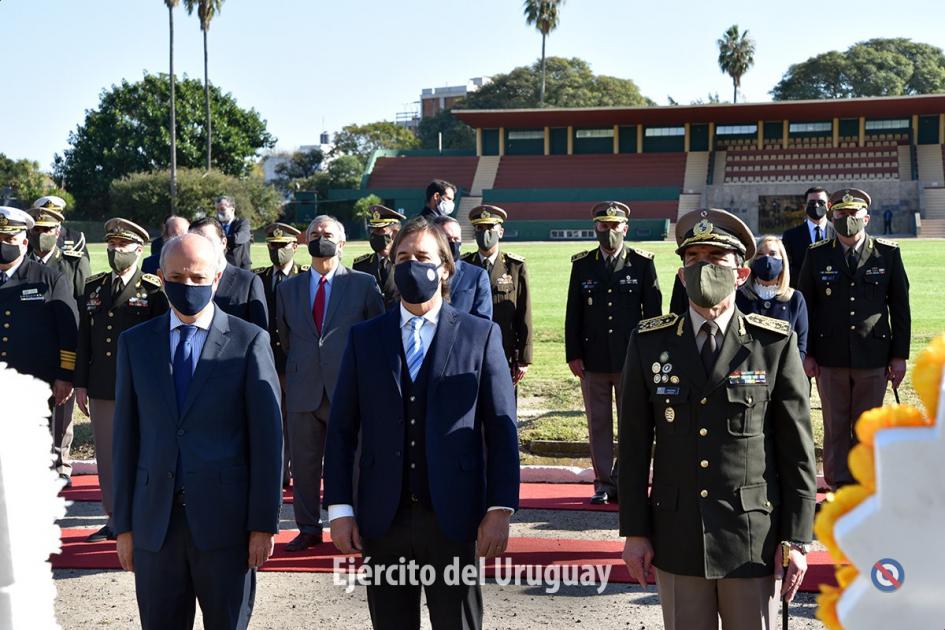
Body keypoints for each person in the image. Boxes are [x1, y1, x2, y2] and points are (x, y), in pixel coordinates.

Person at [619, 208, 817, 630]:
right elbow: (634, 447)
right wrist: (634, 531)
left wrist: (797, 538)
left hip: (749, 538)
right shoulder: (649, 343)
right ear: (680, 274)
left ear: (741, 274)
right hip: (677, 534)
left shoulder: (773, 344)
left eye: (716, 259)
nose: (704, 268)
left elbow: (796, 451)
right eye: (694, 260)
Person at [324, 216, 519, 630]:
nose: (412, 265)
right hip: (383, 518)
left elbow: (501, 428)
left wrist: (499, 508)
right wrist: (340, 508)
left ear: (446, 267)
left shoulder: (479, 335)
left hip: (455, 516)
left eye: (423, 257)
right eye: (403, 257)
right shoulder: (365, 338)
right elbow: (342, 429)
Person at [111, 233, 283, 630]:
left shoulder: (248, 341)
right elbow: (125, 440)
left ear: (217, 277)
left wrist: (263, 524)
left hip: (227, 528)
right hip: (156, 528)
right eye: (177, 276)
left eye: (197, 277)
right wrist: (125, 526)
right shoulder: (135, 344)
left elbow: (268, 441)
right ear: (160, 276)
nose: (187, 286)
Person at [275, 215, 385, 551]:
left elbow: (377, 334)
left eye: (327, 234)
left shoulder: (363, 284)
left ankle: (358, 524)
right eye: (314, 234)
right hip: (303, 389)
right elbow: (285, 336)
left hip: (349, 389)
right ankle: (308, 528)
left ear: (342, 243)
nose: (320, 239)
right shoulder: (287, 288)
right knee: (305, 466)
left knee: (353, 463)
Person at [798, 188, 910, 491]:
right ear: (833, 217)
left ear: (867, 217)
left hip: (873, 354)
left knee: (867, 426)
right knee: (834, 427)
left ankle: (865, 485)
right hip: (829, 355)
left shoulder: (887, 253)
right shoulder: (817, 253)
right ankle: (837, 486)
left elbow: (899, 308)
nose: (847, 219)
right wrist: (805, 352)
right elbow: (804, 306)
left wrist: (899, 356)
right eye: (841, 214)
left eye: (853, 214)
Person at [74, 218, 168, 542]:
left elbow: (161, 343)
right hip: (102, 385)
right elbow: (84, 338)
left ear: (139, 250)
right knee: (107, 454)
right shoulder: (94, 286)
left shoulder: (154, 290)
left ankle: (142, 516)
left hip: (141, 388)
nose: (116, 252)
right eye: (111, 245)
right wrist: (80, 383)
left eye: (122, 246)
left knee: (142, 451)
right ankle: (114, 518)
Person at [565, 201, 661, 504]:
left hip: (631, 359)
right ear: (595, 228)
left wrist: (650, 355)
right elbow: (574, 313)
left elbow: (653, 315)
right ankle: (604, 483)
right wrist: (573, 353)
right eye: (603, 226)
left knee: (632, 421)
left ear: (625, 228)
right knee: (598, 423)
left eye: (614, 226)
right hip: (593, 358)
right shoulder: (582, 264)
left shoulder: (642, 263)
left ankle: (629, 480)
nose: (609, 232)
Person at [0, 208, 77, 446]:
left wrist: (64, 376)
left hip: (34, 381)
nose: (3, 245)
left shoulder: (49, 279)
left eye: (9, 239)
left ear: (24, 242)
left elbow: (68, 330)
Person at [26, 204, 90, 484]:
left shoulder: (72, 263)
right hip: (27, 349)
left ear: (58, 231)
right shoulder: (20, 259)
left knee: (61, 408)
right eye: (37, 230)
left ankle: (61, 463)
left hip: (62, 345)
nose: (42, 235)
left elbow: (83, 308)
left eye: (48, 230)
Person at [254, 222, 306, 487]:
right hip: (267, 361)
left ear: (295, 247)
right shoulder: (258, 278)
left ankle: (297, 469)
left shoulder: (304, 276)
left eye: (282, 246)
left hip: (296, 361)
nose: (277, 251)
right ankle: (277, 470)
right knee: (271, 417)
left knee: (296, 420)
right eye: (272, 246)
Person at [461, 204, 533, 388]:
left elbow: (524, 313)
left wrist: (524, 357)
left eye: (490, 227)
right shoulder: (462, 266)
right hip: (469, 351)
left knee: (503, 407)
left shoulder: (515, 266)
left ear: (500, 231)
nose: (485, 232)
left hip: (504, 350)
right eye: (480, 228)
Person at [735, 235, 809, 359]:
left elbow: (801, 345)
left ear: (783, 261)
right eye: (760, 254)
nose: (767, 259)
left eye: (773, 253)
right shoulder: (739, 296)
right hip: (747, 373)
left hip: (783, 372)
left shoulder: (795, 299)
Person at [189, 216, 268, 331]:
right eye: (196, 243)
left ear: (223, 242)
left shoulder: (248, 282)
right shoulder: (185, 281)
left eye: (208, 241)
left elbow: (260, 334)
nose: (203, 247)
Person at [430, 215, 492, 319]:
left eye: (456, 238)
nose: (453, 243)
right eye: (448, 238)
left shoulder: (476, 276)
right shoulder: (423, 272)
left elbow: (483, 321)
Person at [353, 205, 405, 309]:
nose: (374, 234)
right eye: (373, 230)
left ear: (394, 234)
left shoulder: (405, 263)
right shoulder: (360, 266)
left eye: (380, 230)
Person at [781, 186, 834, 289]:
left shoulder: (839, 233)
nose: (816, 205)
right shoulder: (790, 236)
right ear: (805, 206)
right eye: (812, 202)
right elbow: (787, 268)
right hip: (802, 292)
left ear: (828, 205)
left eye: (821, 202)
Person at [31, 195, 88, 260]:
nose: (50, 218)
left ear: (60, 215)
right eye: (46, 214)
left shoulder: (76, 238)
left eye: (54, 214)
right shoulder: (30, 236)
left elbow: (82, 264)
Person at [215, 196, 253, 270]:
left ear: (232, 210)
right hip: (221, 268)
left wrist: (218, 240)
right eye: (217, 210)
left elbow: (239, 239)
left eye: (222, 209)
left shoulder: (243, 223)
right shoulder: (215, 225)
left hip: (241, 268)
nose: (219, 212)